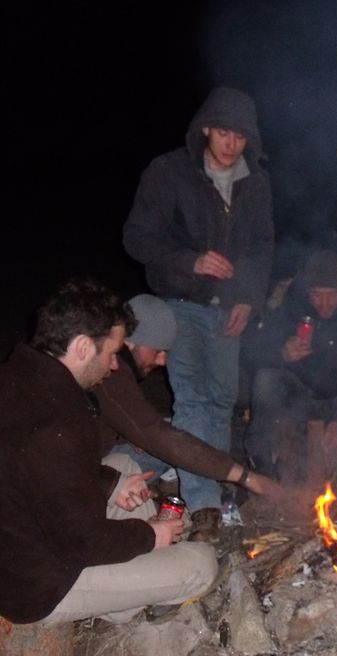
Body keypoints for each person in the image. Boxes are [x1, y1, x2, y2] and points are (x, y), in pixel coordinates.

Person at [0, 278, 217, 626]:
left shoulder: (7, 379)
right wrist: (150, 534)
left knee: (122, 466)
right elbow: (83, 542)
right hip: (36, 586)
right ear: (81, 347)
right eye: (110, 353)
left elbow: (37, 473)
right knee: (201, 564)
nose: (113, 366)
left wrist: (111, 484)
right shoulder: (55, 424)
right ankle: (127, 601)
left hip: (14, 543)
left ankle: (136, 582)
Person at [123, 86, 274, 514]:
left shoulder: (256, 182)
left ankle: (220, 499)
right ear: (206, 128)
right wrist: (191, 262)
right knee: (192, 399)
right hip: (180, 301)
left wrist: (249, 299)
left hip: (229, 309)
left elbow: (263, 247)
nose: (231, 144)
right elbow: (136, 238)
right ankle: (203, 505)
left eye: (240, 136)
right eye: (224, 132)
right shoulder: (168, 172)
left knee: (221, 401)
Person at [94, 293, 279, 503]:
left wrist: (125, 434)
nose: (163, 361)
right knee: (171, 443)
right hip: (84, 472)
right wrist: (246, 477)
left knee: (172, 436)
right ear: (133, 341)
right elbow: (157, 435)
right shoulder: (112, 371)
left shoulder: (116, 365)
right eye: (158, 351)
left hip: (94, 459)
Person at [242, 249, 337, 481]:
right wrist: (282, 354)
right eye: (317, 295)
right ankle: (263, 472)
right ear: (307, 292)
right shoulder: (288, 309)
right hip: (298, 399)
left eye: (332, 295)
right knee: (266, 378)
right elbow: (252, 354)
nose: (325, 304)